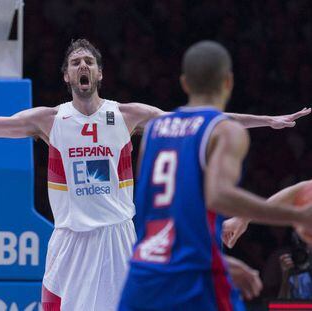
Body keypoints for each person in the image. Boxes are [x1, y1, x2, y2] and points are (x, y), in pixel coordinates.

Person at [0, 39, 309, 311]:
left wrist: (267, 121)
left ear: (98, 75)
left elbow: (203, 122)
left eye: (89, 62)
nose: (82, 66)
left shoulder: (128, 115)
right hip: (69, 239)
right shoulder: (48, 120)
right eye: (75, 62)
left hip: (116, 234)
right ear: (66, 76)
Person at [118, 40, 312, 311]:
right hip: (195, 277)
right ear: (228, 81)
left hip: (143, 274)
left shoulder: (153, 132)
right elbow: (219, 195)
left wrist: (225, 260)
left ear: (185, 83)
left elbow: (157, 213)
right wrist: (296, 216)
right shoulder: (225, 131)